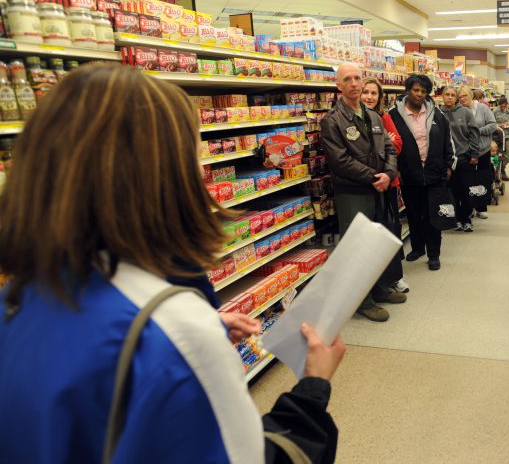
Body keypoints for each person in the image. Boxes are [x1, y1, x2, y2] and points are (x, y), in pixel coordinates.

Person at [0, 63, 346, 463]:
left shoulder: (18, 297)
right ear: (163, 175)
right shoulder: (176, 331)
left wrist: (194, 329)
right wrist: (313, 385)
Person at [322, 63, 404, 323]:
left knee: (375, 245)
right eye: (348, 79)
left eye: (358, 78)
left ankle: (378, 289)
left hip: (378, 189)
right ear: (339, 85)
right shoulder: (332, 120)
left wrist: (388, 175)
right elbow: (339, 160)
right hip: (353, 192)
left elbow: (390, 149)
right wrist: (373, 177)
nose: (355, 83)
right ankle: (362, 301)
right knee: (357, 248)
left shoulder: (374, 116)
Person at [387, 74, 456, 271]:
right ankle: (418, 248)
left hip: (435, 174)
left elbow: (447, 141)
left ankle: (434, 254)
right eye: (416, 90)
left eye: (423, 91)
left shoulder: (438, 115)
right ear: (408, 91)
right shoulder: (393, 115)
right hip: (409, 174)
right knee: (414, 214)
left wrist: (450, 164)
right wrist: (397, 169)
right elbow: (390, 145)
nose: (419, 94)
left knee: (434, 216)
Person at [361, 76, 409, 294]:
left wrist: (386, 143)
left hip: (388, 182)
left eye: (374, 93)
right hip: (365, 184)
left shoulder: (385, 117)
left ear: (380, 97)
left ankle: (395, 276)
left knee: (391, 229)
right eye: (366, 92)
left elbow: (397, 145)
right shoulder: (352, 119)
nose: (369, 97)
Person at [439, 85, 481, 232]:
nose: (450, 97)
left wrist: (474, 153)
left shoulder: (465, 112)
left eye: (452, 95)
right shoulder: (438, 114)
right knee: (452, 191)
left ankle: (467, 219)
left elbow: (474, 134)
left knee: (466, 191)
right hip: (448, 161)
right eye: (447, 94)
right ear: (442, 97)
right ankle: (456, 220)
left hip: (464, 158)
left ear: (456, 98)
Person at [459, 86, 496, 219]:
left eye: (464, 96)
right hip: (467, 151)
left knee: (482, 178)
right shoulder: (460, 111)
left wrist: (477, 131)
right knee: (468, 180)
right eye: (460, 97)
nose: (462, 99)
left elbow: (493, 125)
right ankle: (469, 207)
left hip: (483, 150)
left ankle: (481, 207)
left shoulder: (482, 108)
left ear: (470, 95)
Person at [492, 96, 509, 182]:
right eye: (501, 106)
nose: (503, 108)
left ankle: (501, 168)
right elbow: (491, 122)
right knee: (498, 153)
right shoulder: (494, 111)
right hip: (498, 135)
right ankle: (498, 171)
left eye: (504, 106)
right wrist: (497, 125)